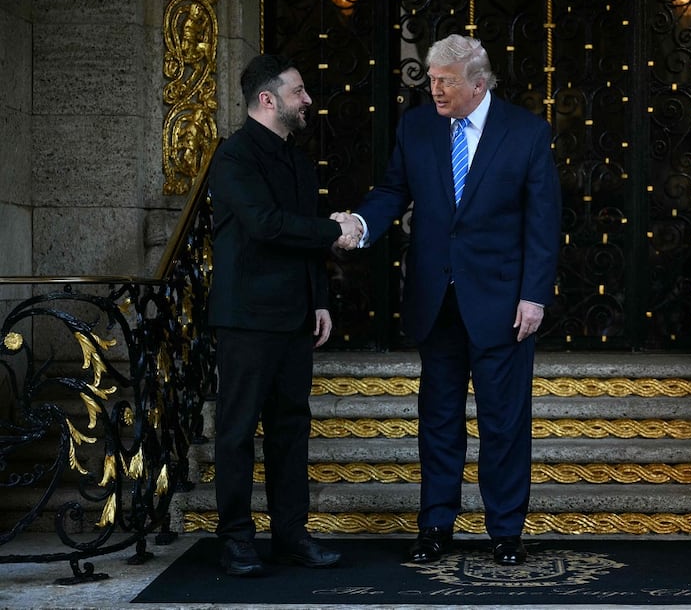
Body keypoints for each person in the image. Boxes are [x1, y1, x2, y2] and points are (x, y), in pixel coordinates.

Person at [337, 34, 562, 565]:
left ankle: (505, 530)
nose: (433, 89)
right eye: (431, 79)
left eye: (444, 82)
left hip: (503, 304)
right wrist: (363, 222)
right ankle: (436, 526)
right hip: (435, 300)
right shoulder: (417, 126)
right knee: (438, 420)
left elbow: (543, 220)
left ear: (478, 84)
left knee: (504, 422)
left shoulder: (527, 132)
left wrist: (534, 295)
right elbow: (394, 190)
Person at [207, 54, 360, 577]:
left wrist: (318, 298)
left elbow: (300, 241)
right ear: (267, 99)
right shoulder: (233, 157)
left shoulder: (296, 159)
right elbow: (267, 225)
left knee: (290, 430)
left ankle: (291, 536)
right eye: (299, 92)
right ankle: (235, 541)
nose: (308, 100)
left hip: (294, 315)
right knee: (237, 432)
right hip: (246, 317)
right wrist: (334, 230)